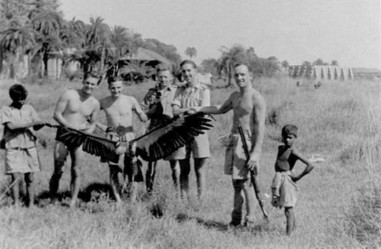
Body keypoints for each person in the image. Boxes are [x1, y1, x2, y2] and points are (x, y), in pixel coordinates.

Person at [193, 63, 266, 227]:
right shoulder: (235, 96)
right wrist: (199, 109)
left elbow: (260, 127)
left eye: (242, 75)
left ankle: (250, 219)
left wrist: (256, 152)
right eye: (236, 75)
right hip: (234, 141)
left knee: (247, 183)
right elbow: (221, 109)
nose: (239, 78)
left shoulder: (256, 97)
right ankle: (235, 219)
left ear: (250, 76)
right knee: (236, 183)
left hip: (247, 144)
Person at [49, 72, 101, 207]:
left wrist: (87, 132)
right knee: (58, 169)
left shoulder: (95, 103)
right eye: (87, 83)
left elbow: (93, 123)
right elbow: (56, 114)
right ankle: (53, 199)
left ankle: (72, 200)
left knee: (76, 170)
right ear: (83, 81)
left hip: (79, 137)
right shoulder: (69, 94)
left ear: (97, 86)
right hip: (64, 134)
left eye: (93, 84)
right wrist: (71, 127)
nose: (89, 86)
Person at [97, 76, 148, 202]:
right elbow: (89, 115)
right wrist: (103, 127)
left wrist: (142, 115)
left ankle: (132, 199)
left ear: (123, 87)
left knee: (133, 167)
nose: (116, 90)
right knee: (113, 169)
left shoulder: (130, 100)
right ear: (109, 88)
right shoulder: (103, 102)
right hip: (112, 137)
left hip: (128, 136)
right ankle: (118, 200)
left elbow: (142, 115)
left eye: (119, 87)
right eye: (113, 88)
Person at [0, 84, 45, 207]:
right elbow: (11, 127)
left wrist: (39, 124)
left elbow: (36, 124)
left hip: (29, 146)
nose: (22, 101)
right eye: (19, 99)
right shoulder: (6, 110)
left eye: (24, 98)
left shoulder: (29, 108)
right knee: (15, 178)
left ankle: (30, 204)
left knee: (30, 177)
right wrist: (31, 123)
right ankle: (16, 204)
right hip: (13, 148)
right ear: (12, 98)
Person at [172, 60, 211, 200]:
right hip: (182, 132)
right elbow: (175, 110)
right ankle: (184, 198)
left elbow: (204, 110)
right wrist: (189, 110)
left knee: (200, 169)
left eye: (189, 70)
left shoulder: (203, 90)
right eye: (183, 71)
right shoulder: (180, 90)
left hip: (199, 131)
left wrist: (191, 112)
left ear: (195, 71)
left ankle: (201, 200)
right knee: (184, 169)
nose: (186, 74)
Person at [141, 64, 180, 194]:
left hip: (170, 131)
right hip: (153, 130)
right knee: (151, 164)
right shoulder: (151, 93)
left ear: (171, 77)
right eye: (160, 76)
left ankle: (177, 193)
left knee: (174, 164)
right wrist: (154, 105)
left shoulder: (176, 91)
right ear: (157, 77)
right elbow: (144, 114)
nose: (163, 79)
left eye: (166, 77)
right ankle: (149, 192)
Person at [271, 124, 314, 236]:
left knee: (288, 209)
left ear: (295, 138)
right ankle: (293, 230)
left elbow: (310, 165)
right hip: (279, 178)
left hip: (287, 180)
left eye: (290, 137)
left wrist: (298, 177)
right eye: (285, 136)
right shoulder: (281, 148)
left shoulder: (293, 151)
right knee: (287, 207)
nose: (287, 139)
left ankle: (288, 236)